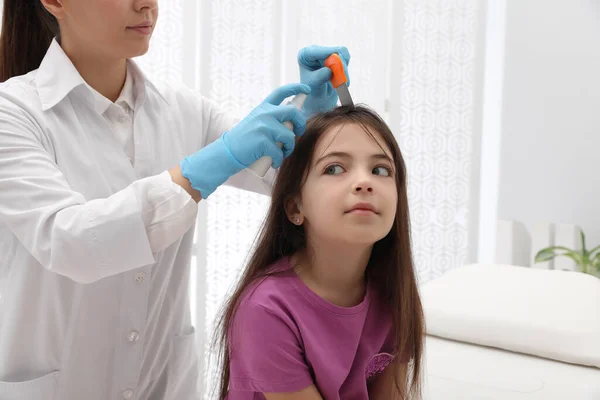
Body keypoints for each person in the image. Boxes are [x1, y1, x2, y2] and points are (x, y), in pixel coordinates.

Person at [0, 0, 351, 399]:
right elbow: (69, 241)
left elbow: (284, 182)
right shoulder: (12, 113)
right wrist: (201, 170)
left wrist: (311, 123)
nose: (146, 4)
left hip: (166, 385)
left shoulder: (182, 109)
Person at [214, 105, 426, 400]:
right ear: (294, 207)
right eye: (334, 168)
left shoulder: (395, 297)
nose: (364, 183)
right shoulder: (265, 309)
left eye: (380, 170)